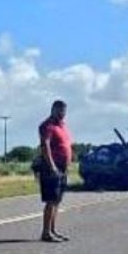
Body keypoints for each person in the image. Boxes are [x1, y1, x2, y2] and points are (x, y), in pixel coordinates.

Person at [37, 100, 73, 243]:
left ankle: (52, 230)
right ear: (53, 110)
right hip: (52, 167)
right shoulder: (47, 126)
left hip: (63, 168)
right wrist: (52, 165)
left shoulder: (62, 126)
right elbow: (45, 145)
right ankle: (46, 233)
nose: (62, 114)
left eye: (63, 111)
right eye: (59, 111)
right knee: (51, 200)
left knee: (57, 200)